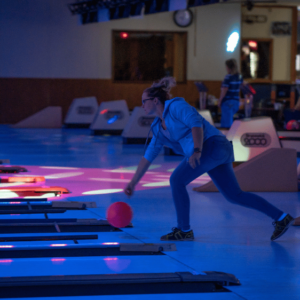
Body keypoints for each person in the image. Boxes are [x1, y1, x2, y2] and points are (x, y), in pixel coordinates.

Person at [124, 76, 294, 242]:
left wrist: (197, 150)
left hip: (212, 145)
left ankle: (184, 230)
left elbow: (195, 124)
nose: (142, 105)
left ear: (155, 101)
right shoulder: (158, 127)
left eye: (144, 101)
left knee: (176, 180)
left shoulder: (176, 106)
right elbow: (148, 157)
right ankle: (281, 217)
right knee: (234, 195)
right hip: (214, 150)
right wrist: (132, 183)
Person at [218, 59, 243, 128]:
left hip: (228, 102)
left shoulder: (228, 77)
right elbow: (240, 88)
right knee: (231, 121)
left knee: (226, 125)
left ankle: (227, 138)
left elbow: (224, 90)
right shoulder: (239, 76)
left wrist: (220, 100)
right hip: (236, 102)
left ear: (228, 67)